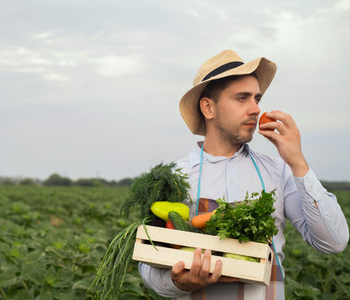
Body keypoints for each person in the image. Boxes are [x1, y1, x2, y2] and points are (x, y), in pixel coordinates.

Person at [138, 50, 349, 299]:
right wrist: (179, 282)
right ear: (208, 107)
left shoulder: (279, 170)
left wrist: (298, 162)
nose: (256, 109)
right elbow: (148, 265)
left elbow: (333, 242)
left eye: (256, 98)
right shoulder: (174, 177)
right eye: (242, 98)